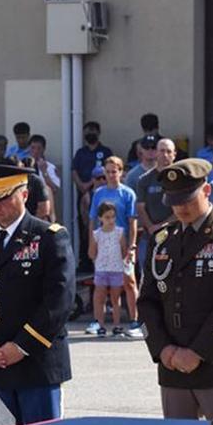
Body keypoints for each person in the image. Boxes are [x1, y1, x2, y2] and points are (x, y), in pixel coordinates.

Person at [137, 158, 213, 420]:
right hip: (172, 367)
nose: (181, 208)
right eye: (174, 201)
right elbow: (146, 302)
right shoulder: (162, 240)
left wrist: (198, 352)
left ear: (206, 191)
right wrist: (162, 349)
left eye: (188, 199)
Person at [0, 164, 74, 425]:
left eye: (4, 197)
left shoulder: (48, 237)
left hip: (36, 367)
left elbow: (58, 301)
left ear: (24, 194)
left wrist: (20, 346)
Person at [88, 156, 141, 337]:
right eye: (108, 172)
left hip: (122, 243)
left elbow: (132, 221)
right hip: (103, 244)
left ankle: (134, 321)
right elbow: (92, 220)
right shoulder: (99, 193)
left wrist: (132, 246)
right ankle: (97, 321)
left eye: (115, 171)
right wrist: (91, 244)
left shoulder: (128, 193)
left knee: (129, 282)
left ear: (121, 172)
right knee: (101, 284)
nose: (111, 175)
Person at [72, 121, 114, 270]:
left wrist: (92, 183)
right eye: (87, 131)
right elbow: (74, 171)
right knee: (84, 226)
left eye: (93, 131)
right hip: (83, 194)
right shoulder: (80, 152)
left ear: (98, 132)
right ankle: (85, 261)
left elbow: (108, 171)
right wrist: (82, 186)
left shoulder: (106, 151)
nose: (90, 134)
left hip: (102, 194)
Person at [135, 138, 176, 268]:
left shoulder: (181, 179)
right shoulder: (144, 179)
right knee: (145, 274)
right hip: (150, 236)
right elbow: (140, 207)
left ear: (174, 154)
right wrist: (152, 227)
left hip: (175, 235)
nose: (165, 155)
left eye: (169, 151)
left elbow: (181, 208)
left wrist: (163, 226)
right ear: (156, 153)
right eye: (162, 151)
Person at [88, 202, 127, 337]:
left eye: (112, 217)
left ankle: (117, 325)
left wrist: (122, 262)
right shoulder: (96, 234)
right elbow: (92, 252)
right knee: (100, 298)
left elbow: (123, 250)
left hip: (116, 269)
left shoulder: (119, 232)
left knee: (116, 299)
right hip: (101, 270)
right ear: (100, 218)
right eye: (107, 217)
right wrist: (96, 258)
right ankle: (100, 325)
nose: (111, 220)